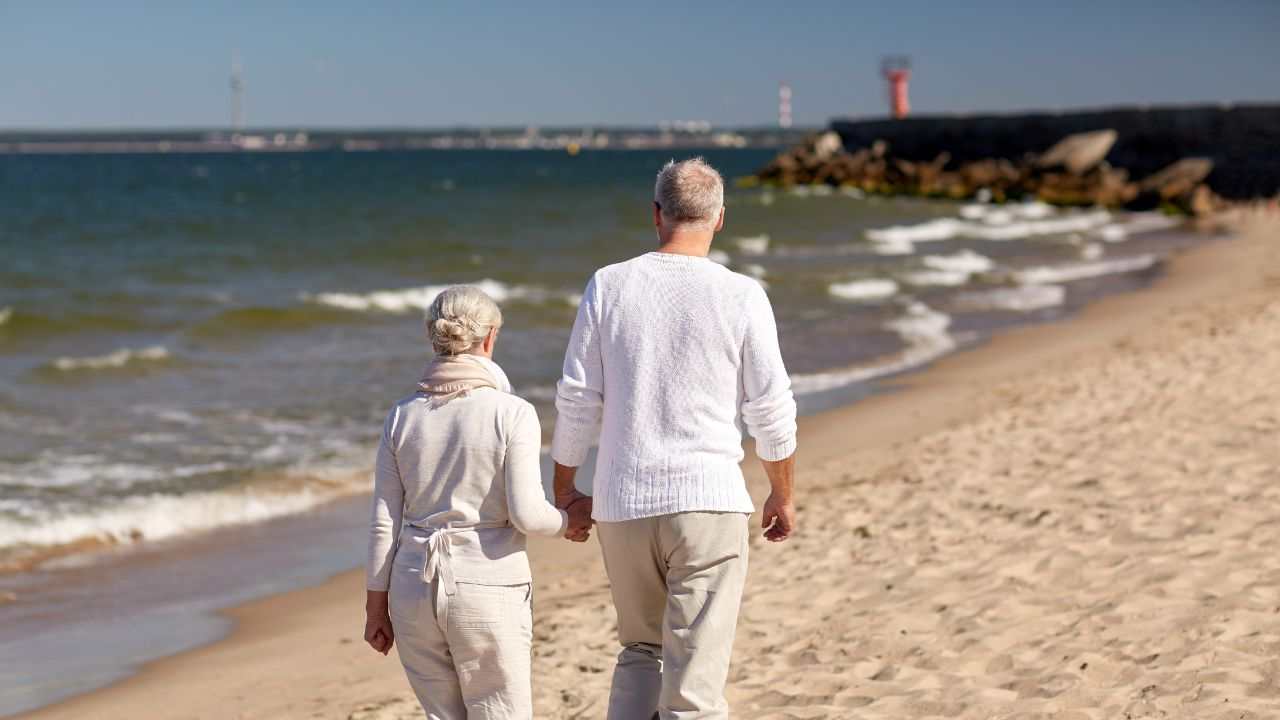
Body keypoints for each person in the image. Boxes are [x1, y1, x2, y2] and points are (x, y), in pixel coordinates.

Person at [551, 158, 799, 719]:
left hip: (624, 502)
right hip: (707, 502)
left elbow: (577, 399)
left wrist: (566, 489)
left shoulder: (609, 284)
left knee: (640, 652)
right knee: (695, 682)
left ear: (656, 214)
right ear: (719, 219)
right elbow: (770, 407)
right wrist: (781, 492)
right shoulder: (742, 294)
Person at [364, 284, 593, 719]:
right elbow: (527, 514)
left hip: (411, 583)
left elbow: (383, 522)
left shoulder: (401, 415)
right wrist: (569, 520)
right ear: (490, 339)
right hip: (486, 583)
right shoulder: (511, 412)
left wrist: (376, 607)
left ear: (434, 338)